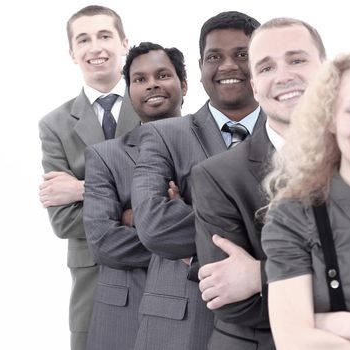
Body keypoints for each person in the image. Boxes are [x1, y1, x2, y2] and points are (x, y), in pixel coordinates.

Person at [191, 18, 326, 350]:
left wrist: (260, 276)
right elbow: (232, 301)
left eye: (296, 60)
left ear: (326, 70)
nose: (282, 76)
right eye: (265, 68)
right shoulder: (216, 177)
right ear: (254, 85)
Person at [131, 11, 262, 350]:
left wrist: (193, 216)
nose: (228, 66)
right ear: (201, 67)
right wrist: (262, 241)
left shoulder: (292, 134)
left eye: (242, 55)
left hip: (272, 321)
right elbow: (154, 226)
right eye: (214, 57)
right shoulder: (163, 135)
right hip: (180, 326)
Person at [37, 5, 139, 350]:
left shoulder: (155, 103)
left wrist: (83, 188)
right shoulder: (55, 125)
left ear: (125, 42)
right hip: (92, 280)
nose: (95, 47)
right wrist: (135, 211)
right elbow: (63, 221)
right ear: (72, 53)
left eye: (105, 36)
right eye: (84, 40)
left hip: (158, 270)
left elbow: (171, 199)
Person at [83, 41, 187, 350]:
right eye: (139, 79)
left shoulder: (213, 147)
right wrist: (177, 240)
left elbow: (223, 227)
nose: (151, 84)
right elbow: (103, 242)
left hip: (196, 308)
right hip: (124, 317)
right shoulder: (104, 156)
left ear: (183, 83)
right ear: (130, 93)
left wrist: (137, 220)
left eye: (162, 75)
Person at [261, 52, 350, 349]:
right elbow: (294, 340)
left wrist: (323, 322)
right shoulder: (293, 214)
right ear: (331, 121)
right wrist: (301, 328)